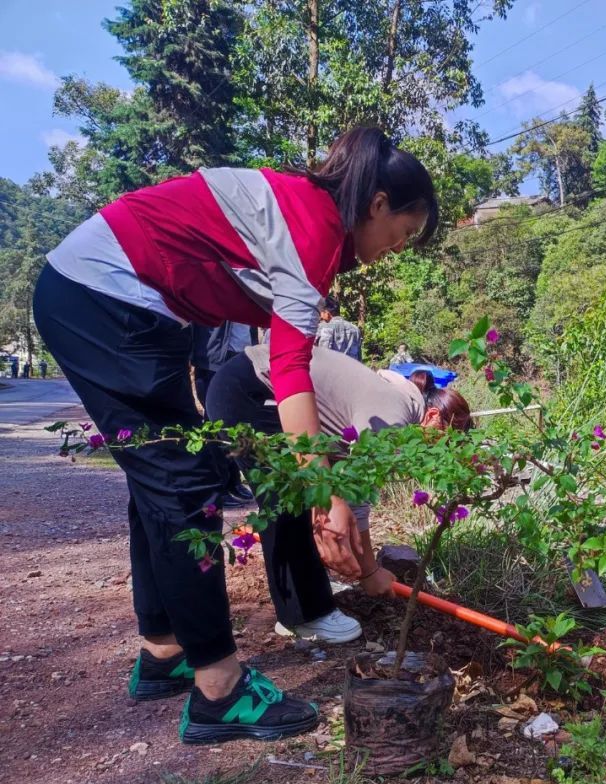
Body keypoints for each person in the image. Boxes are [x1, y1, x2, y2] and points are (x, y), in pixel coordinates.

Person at [32, 126, 438, 745]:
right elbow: (291, 368)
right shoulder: (315, 227)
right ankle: (219, 689)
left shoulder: (305, 213)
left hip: (131, 302)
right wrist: (325, 498)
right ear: (378, 204)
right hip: (106, 296)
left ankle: (163, 652)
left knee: (165, 474)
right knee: (184, 484)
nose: (394, 248)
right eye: (402, 233)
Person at [205, 344, 473, 642]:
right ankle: (305, 615)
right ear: (433, 415)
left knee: (311, 494)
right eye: (441, 443)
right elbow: (358, 494)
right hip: (250, 393)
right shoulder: (394, 414)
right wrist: (370, 572)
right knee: (291, 498)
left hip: (251, 385)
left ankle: (311, 584)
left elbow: (343, 472)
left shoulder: (400, 401)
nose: (434, 453)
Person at [192, 322, 259, 507]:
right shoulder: (215, 293)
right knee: (215, 425)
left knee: (237, 424)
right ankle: (216, 487)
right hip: (213, 358)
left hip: (242, 356)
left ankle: (232, 481)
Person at [315, 296, 362, 360]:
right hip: (351, 368)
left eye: (321, 312)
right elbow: (359, 358)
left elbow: (323, 354)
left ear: (327, 313)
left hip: (332, 368)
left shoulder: (325, 327)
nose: (320, 317)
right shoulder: (355, 329)